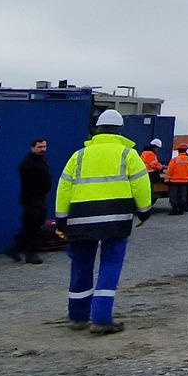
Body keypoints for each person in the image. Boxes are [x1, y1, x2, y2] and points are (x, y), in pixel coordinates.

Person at [54, 109, 152, 334]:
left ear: (97, 129)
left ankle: (78, 316)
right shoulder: (128, 155)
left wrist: (61, 218)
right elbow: (141, 185)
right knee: (111, 264)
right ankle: (101, 318)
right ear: (119, 130)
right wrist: (144, 212)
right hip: (116, 220)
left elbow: (64, 187)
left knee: (81, 265)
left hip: (80, 219)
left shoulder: (78, 156)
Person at [8, 138, 51, 264]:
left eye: (44, 146)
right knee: (32, 224)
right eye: (40, 147)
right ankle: (30, 253)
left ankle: (16, 249)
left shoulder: (42, 160)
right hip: (31, 198)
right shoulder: (27, 164)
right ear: (33, 148)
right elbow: (30, 182)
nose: (43, 149)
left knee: (35, 223)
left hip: (40, 197)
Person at [166, 144, 188, 215]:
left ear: (178, 151)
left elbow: (169, 170)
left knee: (174, 195)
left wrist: (167, 179)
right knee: (183, 195)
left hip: (174, 181)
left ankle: (175, 209)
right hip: (184, 181)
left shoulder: (174, 160)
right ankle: (181, 209)